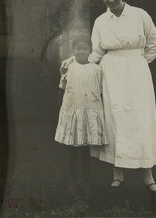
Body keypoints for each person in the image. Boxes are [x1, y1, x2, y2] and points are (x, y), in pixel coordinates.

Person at [61, 0, 156, 192]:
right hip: (111, 75)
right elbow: (95, 53)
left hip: (137, 74)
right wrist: (73, 61)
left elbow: (155, 44)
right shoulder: (100, 21)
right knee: (114, 120)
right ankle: (117, 174)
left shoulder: (140, 15)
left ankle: (148, 175)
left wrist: (138, 62)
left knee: (140, 119)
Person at [55, 34, 108, 196]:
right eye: (78, 48)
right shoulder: (68, 68)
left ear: (90, 50)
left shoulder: (97, 69)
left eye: (84, 49)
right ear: (73, 50)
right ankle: (72, 182)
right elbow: (62, 88)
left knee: (85, 151)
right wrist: (63, 111)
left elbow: (100, 92)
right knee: (72, 150)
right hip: (72, 113)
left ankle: (85, 182)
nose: (81, 52)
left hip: (88, 114)